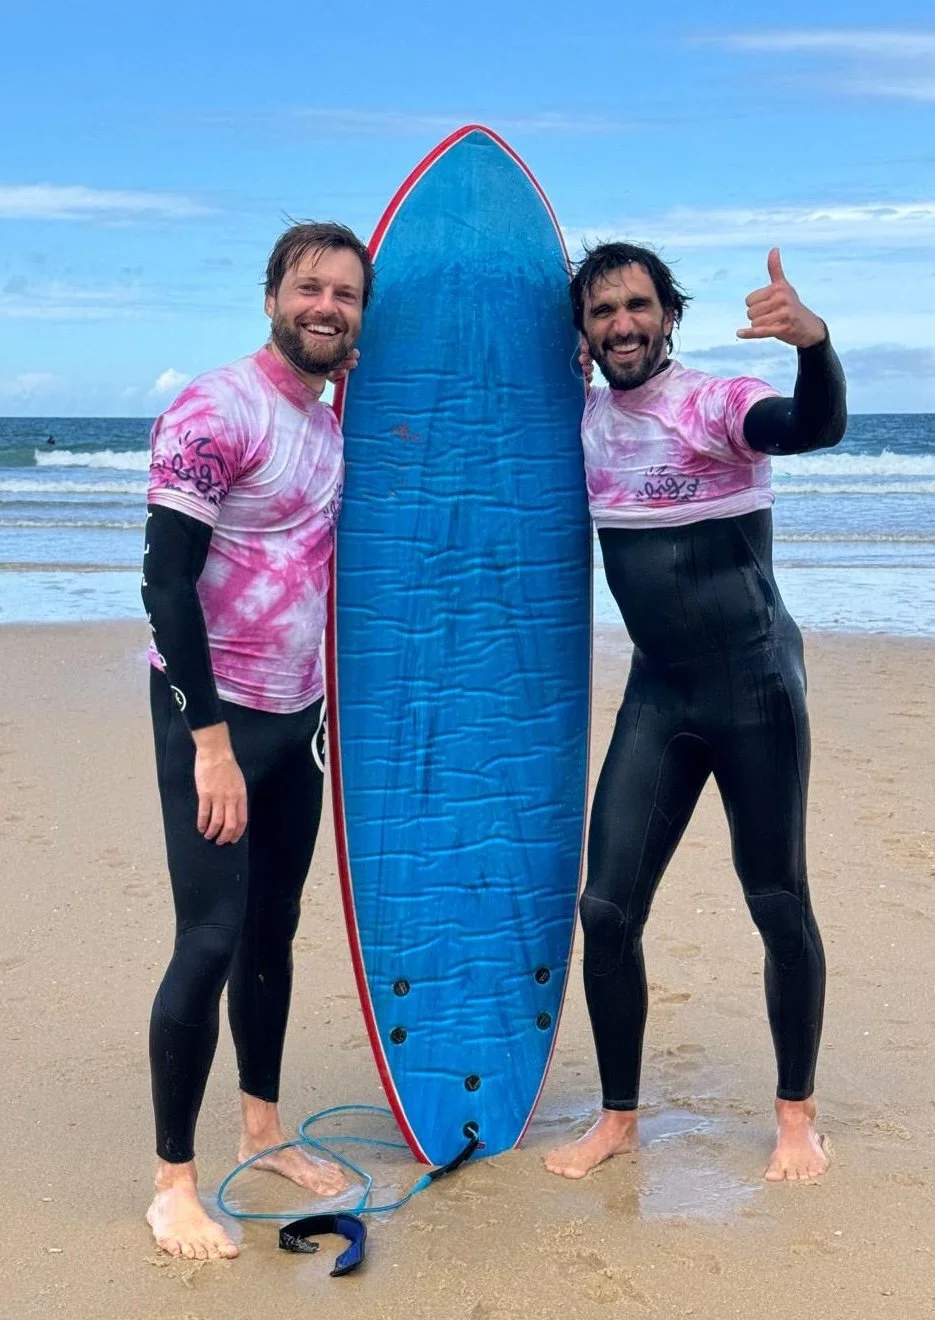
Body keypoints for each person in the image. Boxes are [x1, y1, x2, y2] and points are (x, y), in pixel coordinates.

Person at [545, 242, 846, 1184]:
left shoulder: (714, 403)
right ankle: (618, 1119)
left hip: (755, 685)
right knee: (606, 909)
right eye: (602, 312)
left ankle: (795, 1116)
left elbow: (811, 425)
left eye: (637, 306)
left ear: (667, 315)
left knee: (775, 899)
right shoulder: (582, 425)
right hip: (659, 691)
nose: (622, 324)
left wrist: (814, 344)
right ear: (584, 333)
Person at [140, 221, 372, 1260]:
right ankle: (172, 1182)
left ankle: (263, 1128)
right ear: (272, 295)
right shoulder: (212, 408)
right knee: (210, 937)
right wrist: (210, 741)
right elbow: (163, 582)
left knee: (272, 929)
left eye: (346, 295)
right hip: (214, 719)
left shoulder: (329, 425)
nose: (326, 305)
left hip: (301, 718)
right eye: (310, 287)